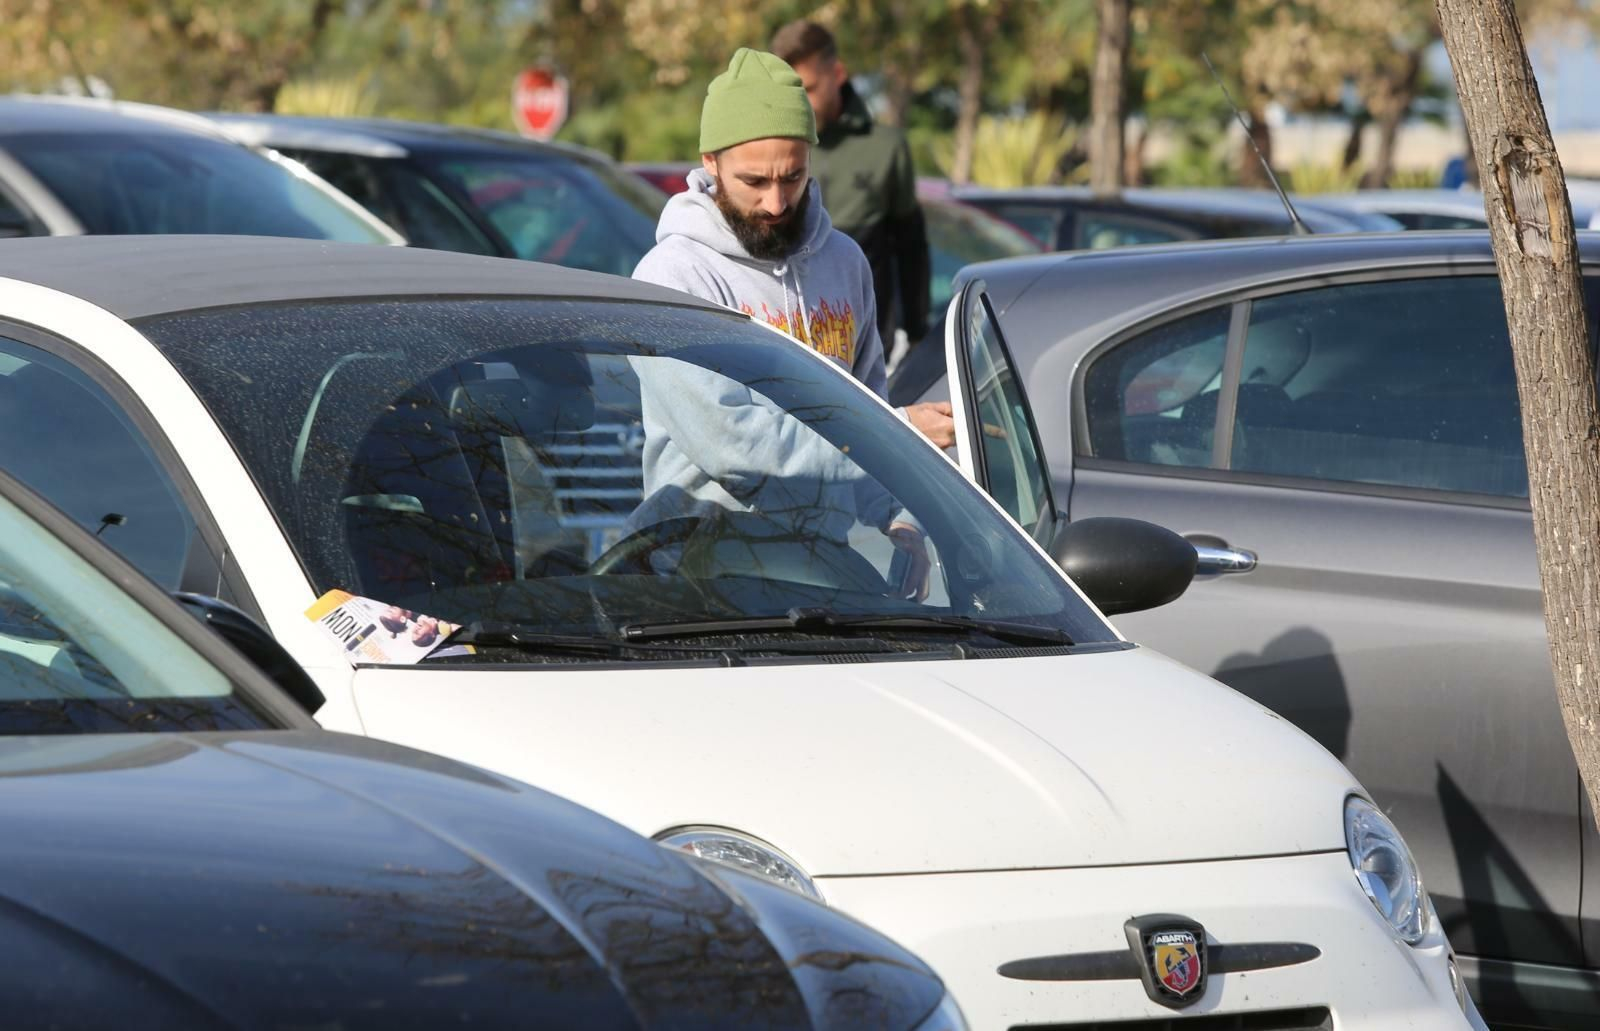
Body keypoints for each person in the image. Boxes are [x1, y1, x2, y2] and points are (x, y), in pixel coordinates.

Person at [630, 47, 944, 597]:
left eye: (792, 178)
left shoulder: (844, 263)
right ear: (710, 162)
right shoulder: (673, 277)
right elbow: (736, 445)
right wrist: (898, 433)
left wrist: (897, 516)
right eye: (753, 181)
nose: (776, 202)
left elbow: (864, 400)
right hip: (701, 568)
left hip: (821, 560)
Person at [771, 19, 931, 355]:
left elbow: (911, 247)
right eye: (792, 91)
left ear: (838, 74)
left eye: (810, 88)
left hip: (871, 346)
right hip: (786, 346)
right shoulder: (770, 148)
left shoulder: (885, 148)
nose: (802, 102)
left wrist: (917, 335)